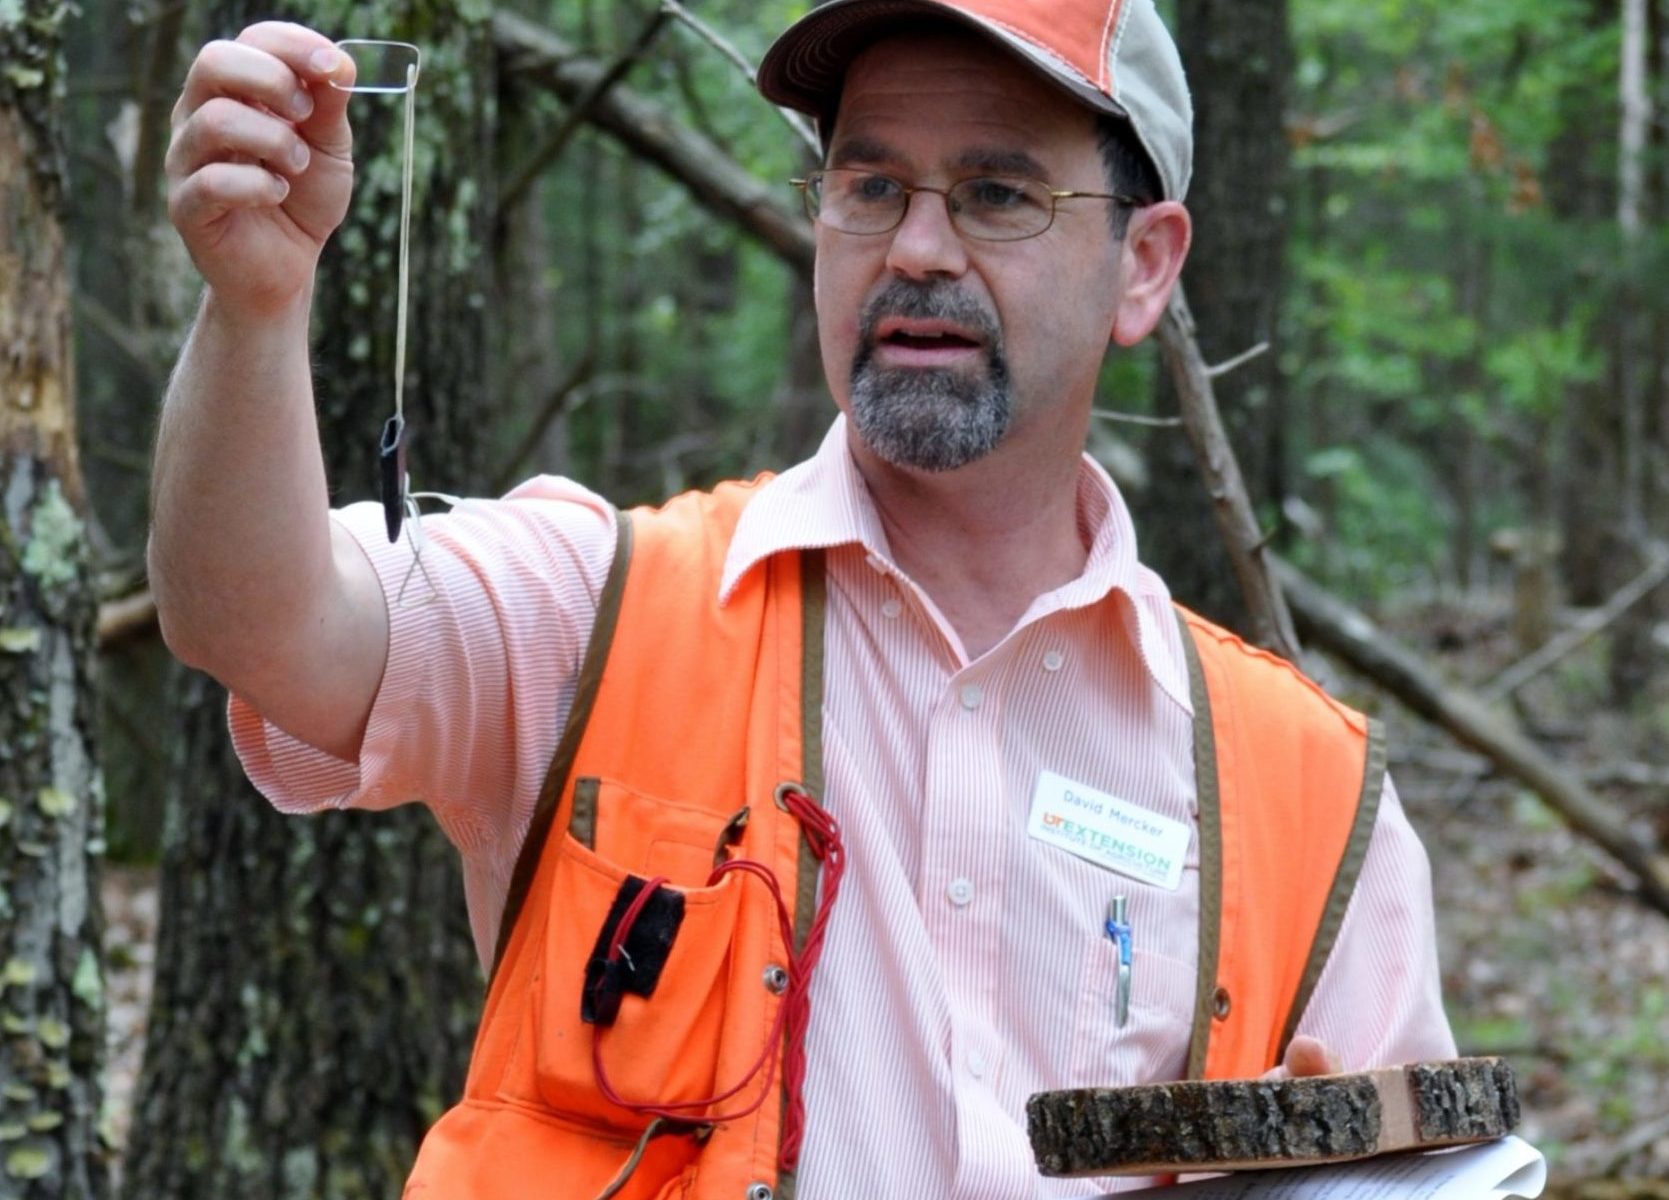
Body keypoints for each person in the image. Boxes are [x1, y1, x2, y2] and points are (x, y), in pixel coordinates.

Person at [151, 1, 1457, 1196]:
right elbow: (253, 621)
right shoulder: (599, 613)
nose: (917, 247)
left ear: (1143, 266)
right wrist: (256, 302)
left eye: (996, 192)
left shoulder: (1303, 789)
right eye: (869, 185)